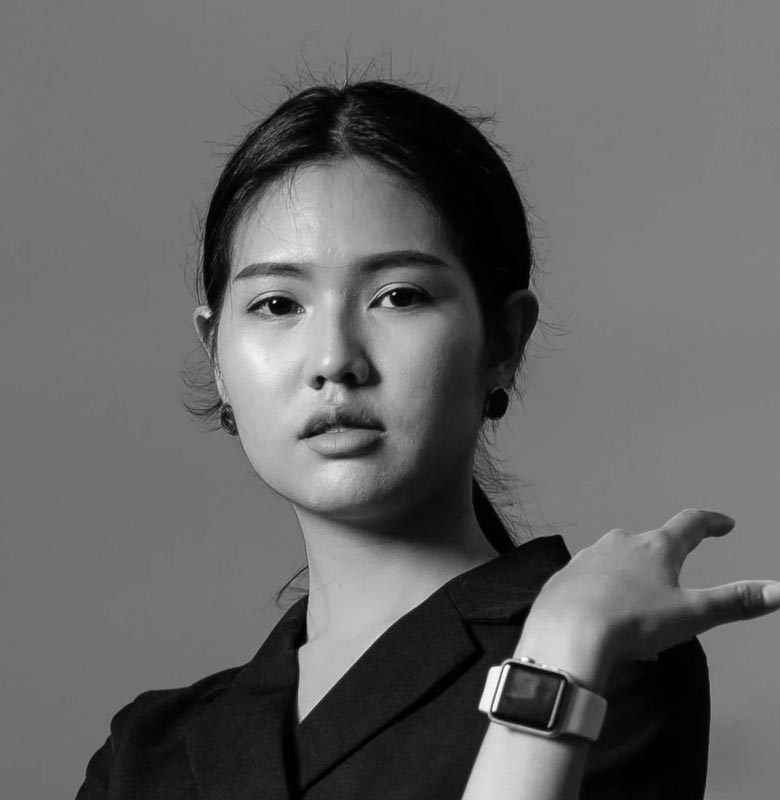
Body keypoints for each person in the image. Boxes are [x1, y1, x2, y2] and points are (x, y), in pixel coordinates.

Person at [75, 77, 780, 800]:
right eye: (278, 304)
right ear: (216, 354)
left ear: (504, 340)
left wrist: (562, 648)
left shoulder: (613, 649)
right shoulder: (146, 754)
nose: (334, 361)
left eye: (399, 296)